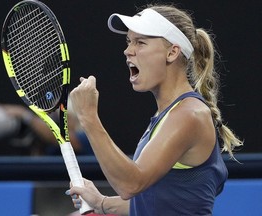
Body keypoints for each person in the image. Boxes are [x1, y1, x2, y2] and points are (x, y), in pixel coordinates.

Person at [68, 4, 243, 215]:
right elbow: (160, 201)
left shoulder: (189, 115)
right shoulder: (168, 115)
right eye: (128, 42)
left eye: (140, 42)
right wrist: (102, 202)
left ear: (172, 52)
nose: (127, 50)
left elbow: (131, 185)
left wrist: (88, 117)